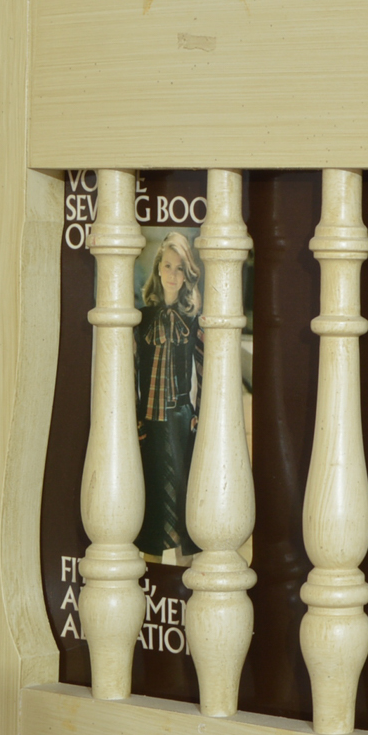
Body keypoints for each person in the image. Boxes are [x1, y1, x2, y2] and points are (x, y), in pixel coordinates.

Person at [134, 231, 203, 562]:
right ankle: (154, 576)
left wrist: (199, 414)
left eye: (180, 268)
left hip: (179, 423)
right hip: (149, 424)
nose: (173, 274)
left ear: (186, 274)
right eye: (167, 265)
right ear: (158, 269)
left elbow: (203, 371)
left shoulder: (193, 320)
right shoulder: (141, 319)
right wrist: (135, 417)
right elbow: (130, 371)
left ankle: (184, 579)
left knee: (182, 508)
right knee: (152, 510)